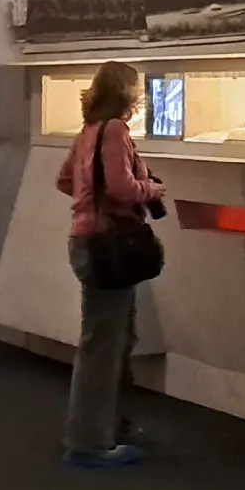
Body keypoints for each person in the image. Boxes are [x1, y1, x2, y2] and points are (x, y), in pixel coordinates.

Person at [54, 61, 166, 468]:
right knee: (103, 345)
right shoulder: (115, 130)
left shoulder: (88, 131)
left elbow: (65, 180)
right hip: (109, 243)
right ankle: (89, 440)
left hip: (88, 241)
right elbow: (120, 187)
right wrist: (150, 188)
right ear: (125, 91)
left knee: (114, 337)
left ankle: (108, 427)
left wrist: (90, 196)